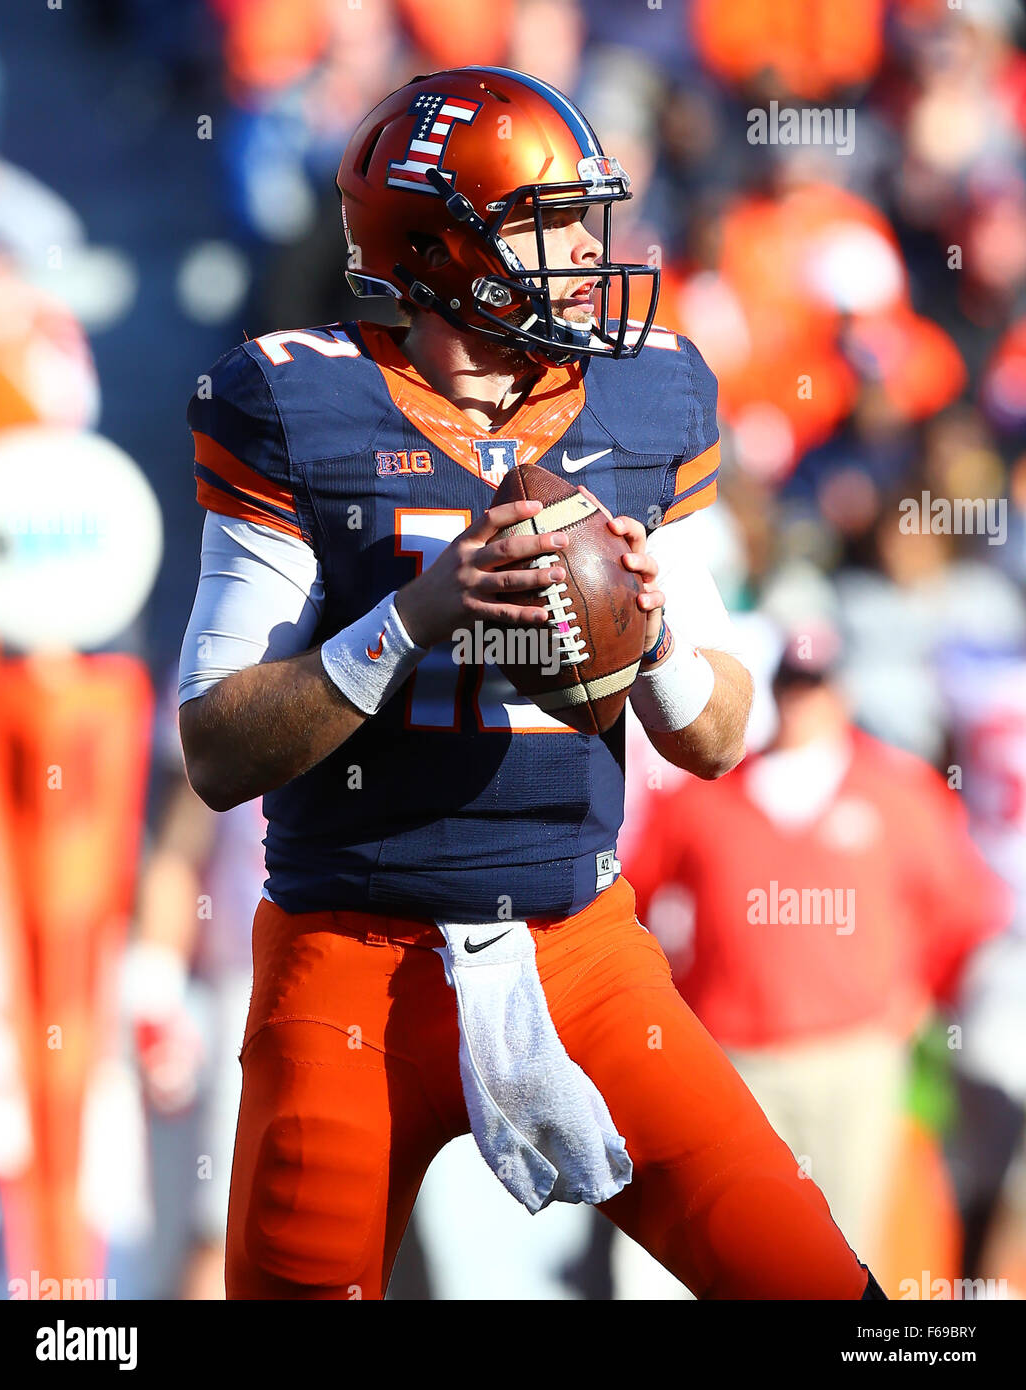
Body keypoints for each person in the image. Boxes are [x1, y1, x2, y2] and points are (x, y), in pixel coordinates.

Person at [177, 66, 884, 1300]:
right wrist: (411, 616)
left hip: (581, 945)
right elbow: (217, 750)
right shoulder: (301, 401)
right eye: (542, 223)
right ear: (440, 247)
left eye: (579, 219)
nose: (579, 251)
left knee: (819, 1291)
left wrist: (652, 640)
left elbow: (718, 736)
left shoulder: (645, 395)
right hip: (349, 958)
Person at [623, 625, 1009, 1282]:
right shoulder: (707, 796)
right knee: (732, 1245)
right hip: (737, 1058)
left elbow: (964, 908)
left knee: (844, 1249)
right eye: (792, 686)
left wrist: (914, 996)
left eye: (816, 684)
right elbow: (635, 900)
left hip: (854, 1059)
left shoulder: (899, 790)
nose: (804, 701)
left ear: (843, 691)